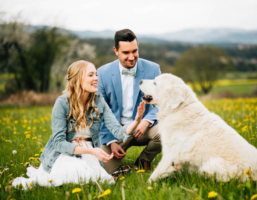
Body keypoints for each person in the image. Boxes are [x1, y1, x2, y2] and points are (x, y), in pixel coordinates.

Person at [11, 60, 145, 189]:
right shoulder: (62, 102)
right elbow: (59, 143)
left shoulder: (99, 100)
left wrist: (137, 121)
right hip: (65, 154)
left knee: (104, 182)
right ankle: (26, 181)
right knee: (77, 176)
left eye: (96, 75)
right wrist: (91, 151)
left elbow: (118, 132)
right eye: (91, 75)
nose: (96, 78)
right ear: (78, 79)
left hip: (90, 154)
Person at [97, 29, 161, 175]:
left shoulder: (153, 69)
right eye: (126, 53)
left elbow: (161, 102)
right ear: (116, 51)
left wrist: (146, 121)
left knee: (166, 131)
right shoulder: (102, 73)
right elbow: (99, 111)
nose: (132, 57)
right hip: (117, 132)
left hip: (144, 129)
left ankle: (143, 162)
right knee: (107, 173)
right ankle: (125, 170)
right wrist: (110, 142)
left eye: (135, 51)